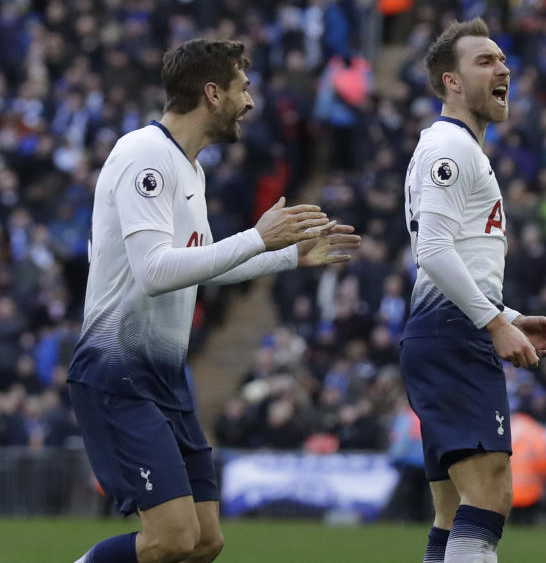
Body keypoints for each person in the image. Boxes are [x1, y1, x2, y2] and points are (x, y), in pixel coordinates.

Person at [67, 39, 361, 563]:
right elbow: (155, 272)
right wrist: (257, 237)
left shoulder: (191, 169)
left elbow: (204, 267)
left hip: (166, 377)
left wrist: (290, 258)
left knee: (205, 541)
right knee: (170, 538)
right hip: (119, 375)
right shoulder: (144, 156)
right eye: (242, 88)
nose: (249, 103)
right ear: (211, 93)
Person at [399, 18, 546, 563]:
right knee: (492, 495)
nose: (503, 69)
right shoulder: (452, 149)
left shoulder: (452, 147)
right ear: (450, 80)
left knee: (451, 512)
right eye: (485, 61)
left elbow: (449, 260)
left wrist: (509, 315)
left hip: (442, 332)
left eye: (502, 60)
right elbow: (433, 252)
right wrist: (494, 323)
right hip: (454, 337)